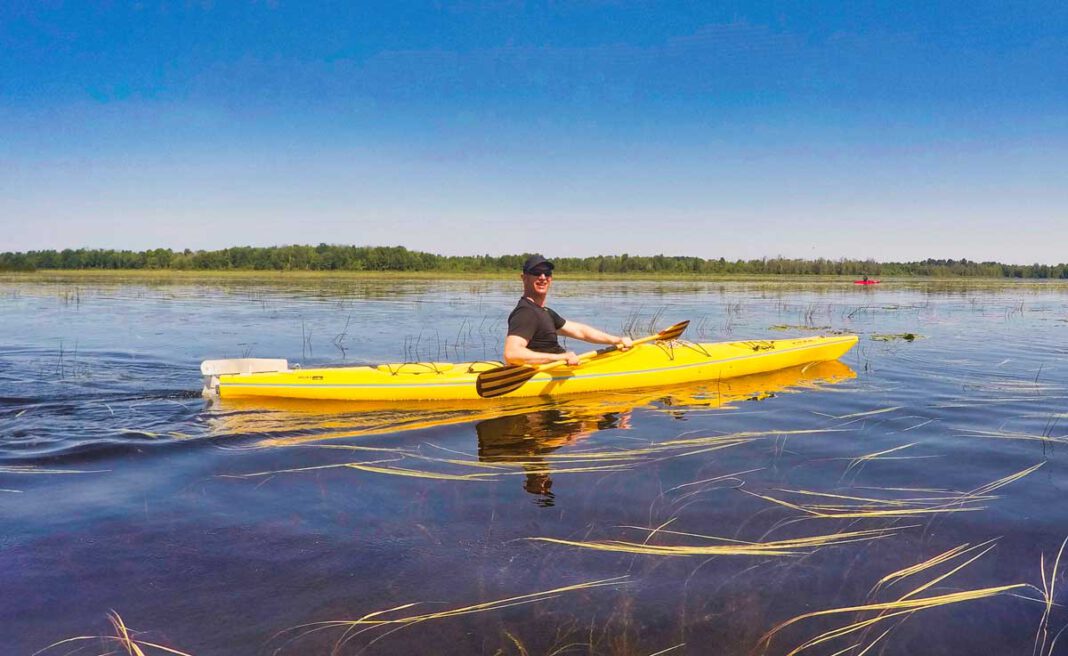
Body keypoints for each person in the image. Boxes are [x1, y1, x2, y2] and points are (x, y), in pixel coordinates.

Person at [504, 254, 633, 366]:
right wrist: (561, 357)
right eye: (537, 272)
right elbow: (512, 353)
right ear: (524, 278)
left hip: (560, 367)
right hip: (552, 371)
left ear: (551, 279)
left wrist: (617, 340)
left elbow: (580, 332)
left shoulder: (544, 312)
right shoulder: (526, 312)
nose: (543, 277)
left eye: (547, 273)